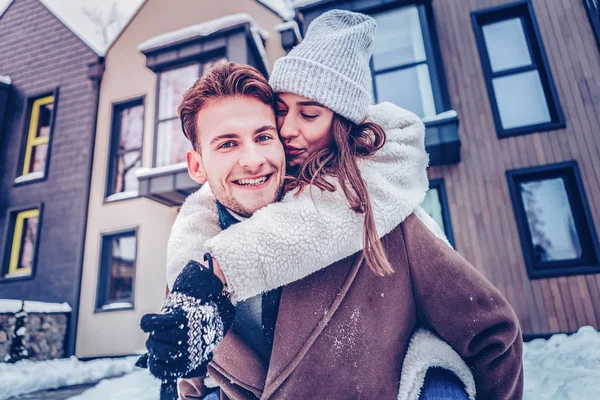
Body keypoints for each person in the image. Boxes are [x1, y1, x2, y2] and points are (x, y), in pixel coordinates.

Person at [141, 10, 523, 399]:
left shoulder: (382, 220)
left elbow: (492, 335)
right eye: (227, 143)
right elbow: (192, 383)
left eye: (264, 135)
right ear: (196, 165)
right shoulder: (196, 261)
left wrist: (440, 387)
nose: (255, 158)